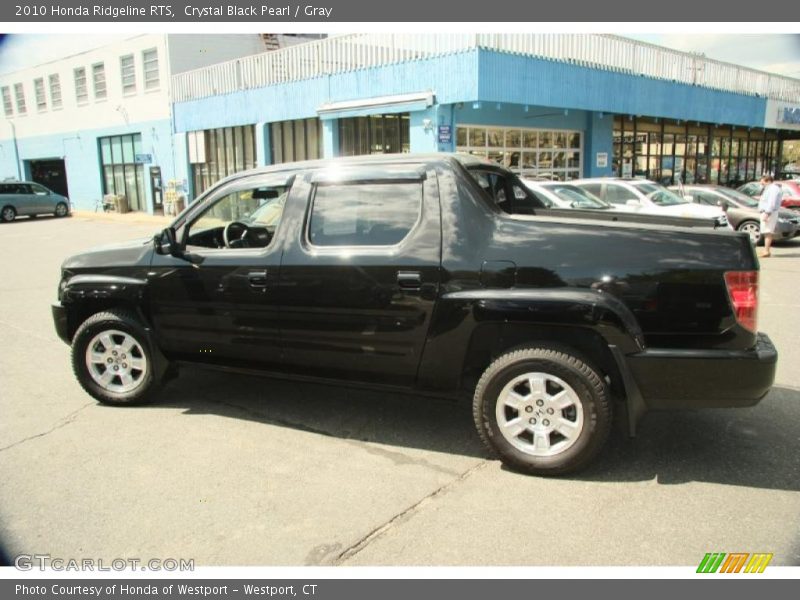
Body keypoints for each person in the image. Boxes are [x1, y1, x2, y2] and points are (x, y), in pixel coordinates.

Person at [758, 175, 783, 257]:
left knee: (768, 232)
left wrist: (767, 213)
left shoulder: (773, 189)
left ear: (768, 181)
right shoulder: (769, 188)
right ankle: (766, 250)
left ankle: (766, 251)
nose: (761, 183)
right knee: (766, 232)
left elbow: (771, 202)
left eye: (762, 182)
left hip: (769, 213)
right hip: (767, 212)